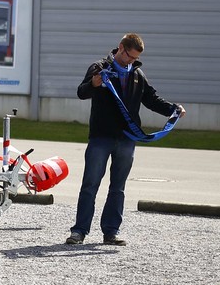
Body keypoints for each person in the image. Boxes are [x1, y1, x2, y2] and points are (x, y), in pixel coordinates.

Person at [67, 33, 185, 246]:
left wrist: (173, 109)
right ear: (121, 48)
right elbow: (81, 92)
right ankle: (79, 232)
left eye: (135, 58)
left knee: (118, 187)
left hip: (127, 138)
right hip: (100, 138)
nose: (131, 61)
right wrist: (93, 84)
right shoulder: (99, 67)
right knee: (90, 185)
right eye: (129, 56)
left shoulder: (138, 74)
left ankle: (111, 232)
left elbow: (151, 99)